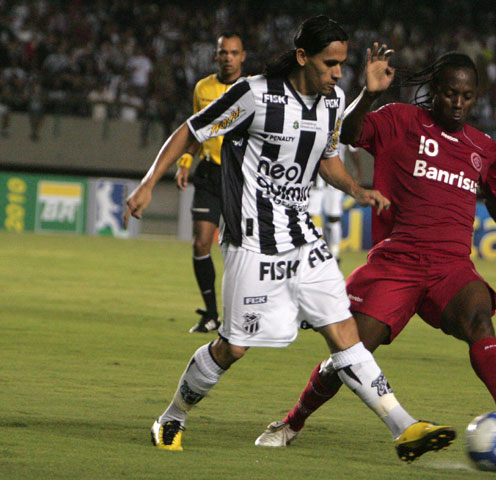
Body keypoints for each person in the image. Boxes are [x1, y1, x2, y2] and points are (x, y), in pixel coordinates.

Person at [124, 16, 454, 461]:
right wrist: (148, 183)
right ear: (303, 57)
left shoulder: (333, 101)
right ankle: (172, 416)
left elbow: (328, 158)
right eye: (329, 63)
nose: (338, 73)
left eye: (342, 64)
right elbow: (191, 129)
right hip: (252, 239)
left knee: (344, 334)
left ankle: (405, 427)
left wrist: (357, 189)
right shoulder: (256, 94)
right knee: (233, 347)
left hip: (303, 238)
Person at [254, 48, 496, 452]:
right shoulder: (399, 119)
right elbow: (348, 134)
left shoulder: (484, 149)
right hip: (396, 262)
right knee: (349, 355)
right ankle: (292, 422)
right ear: (433, 91)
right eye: (450, 93)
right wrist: (370, 92)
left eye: (467, 97)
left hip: (451, 267)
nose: (458, 103)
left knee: (479, 318)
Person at [174, 33, 247, 333]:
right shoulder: (203, 88)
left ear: (243, 56)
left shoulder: (252, 90)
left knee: (242, 250)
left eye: (233, 52)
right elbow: (195, 131)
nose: (228, 57)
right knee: (201, 242)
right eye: (223, 52)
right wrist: (185, 161)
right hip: (209, 173)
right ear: (215, 56)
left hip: (241, 176)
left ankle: (242, 316)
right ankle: (211, 315)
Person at [308, 143, 360, 263]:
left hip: (334, 181)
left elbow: (353, 149)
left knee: (333, 218)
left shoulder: (341, 126)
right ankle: (311, 251)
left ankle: (334, 253)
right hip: (317, 180)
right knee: (310, 217)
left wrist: (357, 170)